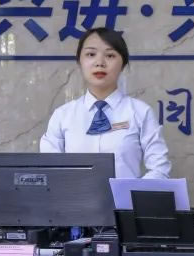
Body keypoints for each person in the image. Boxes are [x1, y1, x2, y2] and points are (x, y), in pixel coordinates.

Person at [40, 27, 171, 179]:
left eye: (110, 55)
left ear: (123, 64)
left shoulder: (141, 112)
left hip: (127, 195)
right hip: (74, 195)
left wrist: (131, 191)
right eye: (91, 54)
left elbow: (160, 169)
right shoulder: (62, 115)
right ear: (79, 61)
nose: (100, 63)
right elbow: (50, 170)